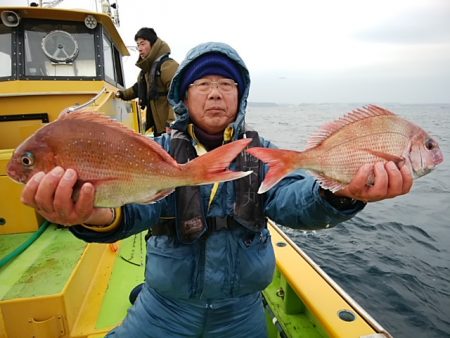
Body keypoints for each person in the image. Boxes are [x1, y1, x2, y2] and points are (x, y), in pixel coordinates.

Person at [21, 42, 413, 337]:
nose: (215, 93)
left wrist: (343, 194)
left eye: (227, 84)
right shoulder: (155, 152)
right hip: (163, 310)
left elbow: (296, 203)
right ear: (183, 96)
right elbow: (135, 211)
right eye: (202, 83)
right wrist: (91, 213)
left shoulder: (261, 153)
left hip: (240, 313)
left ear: (240, 96)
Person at [116, 27, 178, 136]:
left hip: (170, 128)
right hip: (158, 128)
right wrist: (121, 94)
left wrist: (172, 122)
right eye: (138, 45)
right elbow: (137, 89)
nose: (139, 49)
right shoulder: (148, 71)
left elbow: (176, 95)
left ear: (153, 45)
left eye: (143, 44)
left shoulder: (168, 66)